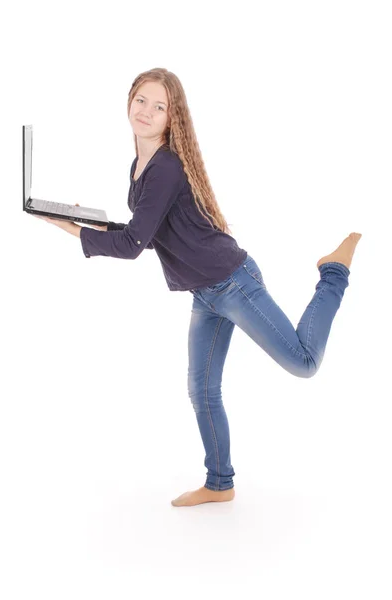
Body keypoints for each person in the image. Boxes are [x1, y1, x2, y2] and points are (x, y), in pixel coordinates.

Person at [31, 68, 362, 508]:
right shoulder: (140, 165)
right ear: (128, 101)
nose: (146, 111)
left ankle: (334, 272)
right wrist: (85, 222)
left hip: (233, 284)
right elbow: (145, 231)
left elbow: (132, 246)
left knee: (303, 363)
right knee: (202, 390)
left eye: (159, 106)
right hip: (205, 293)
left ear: (173, 117)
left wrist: (72, 230)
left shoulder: (165, 166)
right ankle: (219, 483)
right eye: (141, 100)